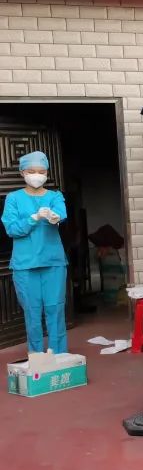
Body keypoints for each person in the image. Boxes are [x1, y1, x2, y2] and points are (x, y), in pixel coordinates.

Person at [2, 151, 68, 354]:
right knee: (32, 312)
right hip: (25, 264)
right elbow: (12, 229)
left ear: (47, 173)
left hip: (53, 262)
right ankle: (37, 356)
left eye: (41, 171)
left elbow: (62, 214)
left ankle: (59, 355)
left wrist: (55, 217)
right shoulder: (13, 198)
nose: (37, 175)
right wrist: (33, 218)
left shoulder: (55, 196)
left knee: (55, 309)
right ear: (22, 172)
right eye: (31, 171)